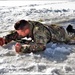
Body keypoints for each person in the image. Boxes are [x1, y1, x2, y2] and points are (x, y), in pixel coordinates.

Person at [0, 20, 68, 53]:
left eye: (20, 33)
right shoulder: (28, 25)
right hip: (51, 28)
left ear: (26, 31)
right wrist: (5, 39)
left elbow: (41, 46)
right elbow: (17, 33)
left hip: (62, 34)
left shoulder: (38, 32)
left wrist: (21, 49)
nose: (19, 34)